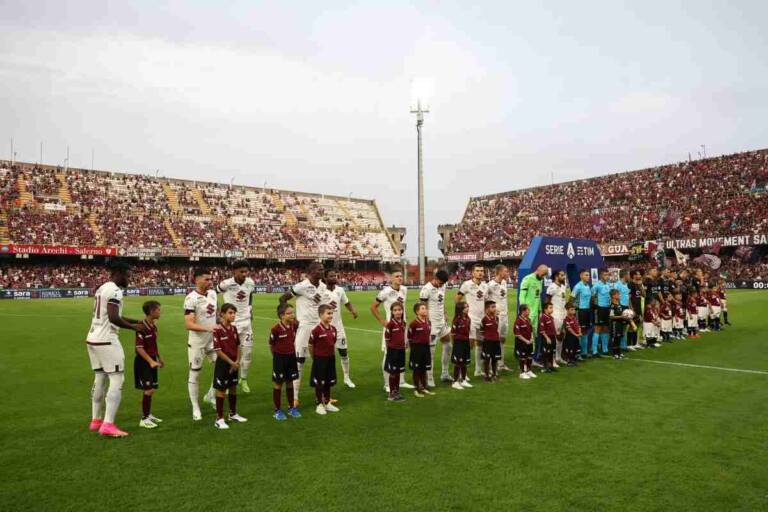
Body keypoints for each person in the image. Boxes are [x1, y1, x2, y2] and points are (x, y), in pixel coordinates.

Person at [86, 260, 147, 438]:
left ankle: (95, 420)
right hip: (107, 340)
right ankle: (108, 424)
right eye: (128, 274)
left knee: (99, 377)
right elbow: (113, 318)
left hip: (92, 338)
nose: (129, 278)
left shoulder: (102, 288)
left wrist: (135, 320)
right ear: (119, 273)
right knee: (117, 379)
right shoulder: (115, 291)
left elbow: (110, 314)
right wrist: (134, 327)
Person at [279, 262, 326, 406]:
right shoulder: (302, 286)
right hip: (304, 327)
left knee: (321, 362)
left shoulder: (323, 287)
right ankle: (295, 397)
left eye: (323, 269)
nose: (322, 271)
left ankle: (322, 395)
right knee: (299, 362)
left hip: (318, 327)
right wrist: (291, 319)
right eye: (320, 270)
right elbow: (283, 299)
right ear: (311, 272)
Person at [370, 266, 413, 392]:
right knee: (388, 355)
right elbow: (373, 307)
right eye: (397, 276)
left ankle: (402, 381)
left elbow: (403, 308)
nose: (400, 278)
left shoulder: (404, 289)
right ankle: (387, 384)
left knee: (402, 352)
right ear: (391, 278)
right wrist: (382, 321)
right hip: (391, 328)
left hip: (402, 326)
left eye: (401, 276)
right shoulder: (385, 292)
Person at [216, 259, 256, 393]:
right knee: (230, 355)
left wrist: (250, 309)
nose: (245, 274)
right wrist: (218, 313)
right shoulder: (226, 284)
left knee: (248, 354)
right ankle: (227, 382)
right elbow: (212, 294)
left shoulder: (250, 283)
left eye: (246, 271)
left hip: (246, 322)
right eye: (242, 271)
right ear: (234, 271)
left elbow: (250, 296)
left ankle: (243, 379)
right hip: (231, 324)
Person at [184, 268, 219, 421]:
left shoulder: (213, 294)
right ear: (197, 280)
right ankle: (195, 407)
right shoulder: (190, 298)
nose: (210, 282)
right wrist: (207, 328)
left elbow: (214, 315)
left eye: (210, 279)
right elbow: (189, 324)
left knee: (222, 367)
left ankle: (210, 395)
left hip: (212, 340)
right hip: (197, 342)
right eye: (206, 279)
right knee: (195, 373)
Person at [212, 303, 248, 429]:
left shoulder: (233, 329)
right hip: (223, 364)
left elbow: (238, 345)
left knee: (233, 387)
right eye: (230, 313)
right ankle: (219, 418)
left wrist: (237, 361)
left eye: (234, 313)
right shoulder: (217, 330)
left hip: (234, 363)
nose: (233, 315)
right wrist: (231, 362)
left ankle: (232, 414)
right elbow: (218, 350)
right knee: (221, 390)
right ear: (222, 314)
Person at [323, 270, 359, 389]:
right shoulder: (321, 291)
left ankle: (347, 377)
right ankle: (327, 379)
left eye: (335, 275)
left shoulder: (340, 290)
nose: (334, 277)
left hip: (338, 328)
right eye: (331, 276)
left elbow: (347, 302)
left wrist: (353, 310)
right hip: (325, 329)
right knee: (327, 356)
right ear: (325, 278)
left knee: (343, 353)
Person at [134, 300, 164, 429]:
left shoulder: (153, 326)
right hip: (143, 361)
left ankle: (148, 414)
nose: (160, 312)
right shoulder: (142, 326)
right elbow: (139, 348)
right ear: (151, 312)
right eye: (158, 309)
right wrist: (151, 361)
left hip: (152, 359)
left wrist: (159, 358)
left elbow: (153, 344)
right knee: (149, 390)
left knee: (151, 390)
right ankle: (144, 419)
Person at [268, 303, 301, 421]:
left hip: (291, 357)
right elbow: (271, 345)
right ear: (282, 315)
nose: (293, 315)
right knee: (278, 384)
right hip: (279, 359)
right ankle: (277, 410)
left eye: (293, 312)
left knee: (290, 382)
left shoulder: (294, 325)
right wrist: (276, 356)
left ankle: (291, 408)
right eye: (289, 313)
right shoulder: (275, 329)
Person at [419, 268, 451, 386]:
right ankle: (430, 378)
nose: (442, 285)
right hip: (431, 324)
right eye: (441, 282)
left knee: (448, 345)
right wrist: (426, 323)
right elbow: (422, 308)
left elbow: (441, 302)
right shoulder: (426, 289)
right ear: (435, 279)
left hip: (442, 322)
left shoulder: (443, 286)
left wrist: (445, 312)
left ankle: (444, 373)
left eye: (443, 283)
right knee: (431, 353)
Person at [456, 263, 489, 377]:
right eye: (478, 270)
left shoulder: (485, 286)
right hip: (470, 319)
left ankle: (478, 370)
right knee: (468, 345)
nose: (480, 272)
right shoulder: (467, 284)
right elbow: (458, 297)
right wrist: (460, 313)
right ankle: (461, 371)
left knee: (480, 343)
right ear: (473, 272)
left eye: (482, 271)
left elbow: (486, 302)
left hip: (482, 319)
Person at [309, 304, 340, 415]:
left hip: (330, 358)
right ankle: (319, 404)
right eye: (328, 313)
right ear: (321, 315)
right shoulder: (316, 330)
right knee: (319, 382)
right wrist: (315, 358)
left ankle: (327, 402)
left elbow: (332, 342)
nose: (330, 315)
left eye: (331, 313)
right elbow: (310, 345)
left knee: (328, 381)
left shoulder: (333, 329)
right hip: (319, 360)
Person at [518, 264, 547, 363]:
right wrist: (524, 311)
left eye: (544, 275)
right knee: (526, 337)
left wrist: (540, 311)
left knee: (533, 337)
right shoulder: (527, 279)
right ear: (538, 270)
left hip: (535, 313)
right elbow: (522, 296)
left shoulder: (540, 280)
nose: (543, 277)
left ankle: (531, 359)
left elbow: (538, 297)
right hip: (527, 314)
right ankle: (523, 359)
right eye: (542, 274)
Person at [486, 264, 511, 371]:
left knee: (503, 339)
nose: (507, 273)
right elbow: (485, 300)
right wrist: (490, 313)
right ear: (499, 272)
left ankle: (501, 363)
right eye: (505, 271)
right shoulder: (490, 285)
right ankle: (492, 364)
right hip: (496, 317)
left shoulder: (504, 282)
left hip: (505, 315)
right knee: (494, 339)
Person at [408, 302, 433, 397]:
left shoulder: (428, 322)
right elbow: (409, 337)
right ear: (417, 311)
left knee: (424, 368)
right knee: (417, 369)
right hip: (416, 349)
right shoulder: (413, 323)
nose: (425, 310)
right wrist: (413, 349)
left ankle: (423, 387)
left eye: (425, 308)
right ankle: (416, 388)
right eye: (422, 308)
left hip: (426, 347)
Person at [383, 302, 407, 402]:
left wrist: (405, 344)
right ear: (392, 312)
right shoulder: (390, 324)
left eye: (399, 310)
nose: (398, 312)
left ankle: (397, 391)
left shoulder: (403, 322)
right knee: (393, 372)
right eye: (395, 310)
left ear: (402, 311)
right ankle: (391, 394)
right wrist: (390, 351)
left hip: (401, 350)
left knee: (398, 372)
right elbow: (387, 339)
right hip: (393, 351)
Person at [546, 269, 567, 366]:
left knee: (561, 336)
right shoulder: (552, 287)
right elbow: (547, 301)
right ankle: (553, 359)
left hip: (563, 313)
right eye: (562, 275)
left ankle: (559, 357)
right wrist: (548, 314)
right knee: (555, 336)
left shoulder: (563, 286)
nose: (564, 277)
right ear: (556, 276)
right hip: (555, 314)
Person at [450, 302, 472, 390]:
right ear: (461, 309)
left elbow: (468, 330)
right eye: (466, 307)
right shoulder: (456, 320)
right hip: (458, 343)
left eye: (468, 306)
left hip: (466, 342)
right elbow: (452, 333)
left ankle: (463, 380)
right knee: (458, 362)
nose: (467, 308)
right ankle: (455, 381)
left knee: (465, 362)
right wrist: (454, 344)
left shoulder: (468, 318)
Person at [571, 269, 592, 359]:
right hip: (580, 311)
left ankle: (584, 352)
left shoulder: (588, 286)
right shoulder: (578, 286)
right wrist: (572, 310)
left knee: (585, 331)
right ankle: (577, 353)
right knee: (579, 331)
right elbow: (571, 299)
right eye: (586, 275)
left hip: (586, 311)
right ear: (581, 276)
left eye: (589, 275)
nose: (588, 277)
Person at [591, 268, 612, 356]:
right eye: (605, 275)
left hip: (607, 309)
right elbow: (592, 297)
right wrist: (596, 306)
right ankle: (594, 351)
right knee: (598, 329)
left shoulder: (609, 285)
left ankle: (605, 349)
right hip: (599, 309)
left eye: (608, 275)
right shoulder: (596, 285)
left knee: (606, 329)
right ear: (601, 276)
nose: (607, 276)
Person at [479, 300, 501, 381]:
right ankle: (486, 375)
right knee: (487, 359)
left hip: (496, 341)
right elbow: (481, 331)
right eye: (492, 307)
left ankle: (494, 374)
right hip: (488, 342)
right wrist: (485, 338)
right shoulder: (484, 319)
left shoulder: (497, 318)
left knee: (495, 358)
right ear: (487, 309)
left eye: (495, 307)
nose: (495, 309)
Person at [513, 304, 535, 380]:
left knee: (529, 356)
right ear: (523, 311)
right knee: (522, 357)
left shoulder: (528, 319)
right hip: (521, 343)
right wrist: (526, 341)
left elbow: (531, 330)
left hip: (529, 342)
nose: (529, 311)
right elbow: (517, 334)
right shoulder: (518, 321)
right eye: (528, 310)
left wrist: (531, 338)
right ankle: (522, 373)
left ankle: (529, 370)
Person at [613, 269, 631, 351]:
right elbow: (614, 297)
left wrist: (630, 307)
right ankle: (617, 345)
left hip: (626, 307)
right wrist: (618, 307)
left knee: (625, 327)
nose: (629, 276)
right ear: (625, 275)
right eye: (628, 275)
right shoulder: (617, 285)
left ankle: (623, 345)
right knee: (618, 328)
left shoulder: (627, 285)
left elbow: (628, 297)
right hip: (620, 307)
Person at [608, 290, 629, 359]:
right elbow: (611, 316)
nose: (619, 295)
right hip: (614, 324)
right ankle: (614, 353)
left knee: (619, 338)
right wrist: (621, 317)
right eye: (618, 294)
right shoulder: (612, 305)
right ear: (613, 296)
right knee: (615, 338)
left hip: (620, 323)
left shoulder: (619, 304)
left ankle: (619, 352)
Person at [628, 271, 645, 351]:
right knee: (631, 326)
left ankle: (635, 343)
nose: (640, 275)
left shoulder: (638, 284)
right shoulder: (630, 284)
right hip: (633, 307)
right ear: (634, 275)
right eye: (638, 274)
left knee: (637, 325)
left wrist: (640, 285)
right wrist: (631, 308)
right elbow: (629, 297)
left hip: (638, 307)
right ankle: (629, 344)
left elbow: (644, 295)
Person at [538, 302, 557, 373]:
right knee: (546, 352)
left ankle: (550, 366)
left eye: (552, 308)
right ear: (545, 309)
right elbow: (542, 330)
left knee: (551, 352)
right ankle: (545, 367)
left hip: (552, 337)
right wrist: (547, 338)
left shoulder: (551, 317)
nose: (552, 309)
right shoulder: (543, 317)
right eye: (550, 308)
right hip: (547, 338)